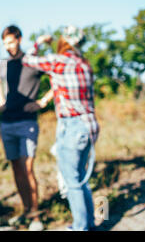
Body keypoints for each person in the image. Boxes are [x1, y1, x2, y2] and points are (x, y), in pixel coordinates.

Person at [22, 26, 99, 231]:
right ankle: (89, 223)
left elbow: (28, 60)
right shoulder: (85, 64)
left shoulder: (60, 61)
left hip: (72, 126)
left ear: (64, 42)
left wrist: (39, 42)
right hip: (89, 125)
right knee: (81, 178)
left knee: (72, 180)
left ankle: (80, 227)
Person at [0, 25, 53, 231]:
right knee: (17, 169)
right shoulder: (3, 64)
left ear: (19, 39)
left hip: (27, 122)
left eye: (11, 42)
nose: (8, 46)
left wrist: (42, 102)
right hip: (7, 122)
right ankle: (26, 210)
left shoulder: (32, 61)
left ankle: (35, 215)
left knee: (27, 169)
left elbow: (59, 76)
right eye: (5, 43)